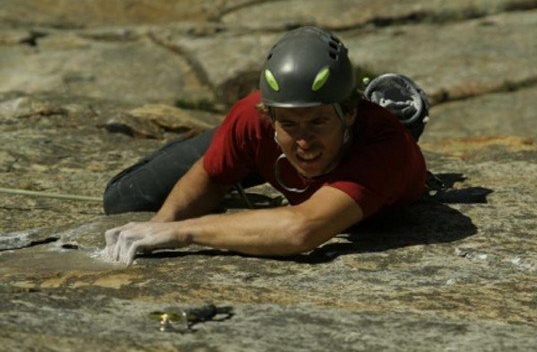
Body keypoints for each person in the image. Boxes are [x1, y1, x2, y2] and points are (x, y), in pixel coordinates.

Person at [104, 26, 427, 265]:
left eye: (317, 122)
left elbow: (301, 229)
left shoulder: (384, 146)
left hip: (365, 172)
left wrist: (183, 232)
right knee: (123, 199)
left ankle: (397, 111)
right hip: (267, 148)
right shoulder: (253, 116)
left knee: (384, 133)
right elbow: (211, 177)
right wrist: (159, 226)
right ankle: (243, 149)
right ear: (269, 117)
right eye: (289, 123)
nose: (303, 140)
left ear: (349, 113)